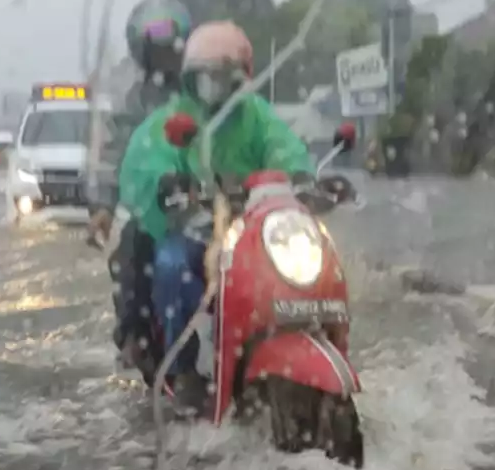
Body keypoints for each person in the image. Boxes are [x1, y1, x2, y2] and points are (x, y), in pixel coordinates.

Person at [116, 20, 333, 408]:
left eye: (223, 76)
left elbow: (287, 150)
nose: (214, 86)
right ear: (190, 79)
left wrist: (304, 179)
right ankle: (183, 372)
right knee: (172, 265)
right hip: (195, 230)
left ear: (241, 78)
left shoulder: (258, 118)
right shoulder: (172, 120)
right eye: (205, 77)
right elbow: (144, 161)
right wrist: (168, 183)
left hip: (253, 229)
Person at [93, 0, 194, 368]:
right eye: (159, 50)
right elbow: (113, 155)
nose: (168, 57)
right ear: (144, 54)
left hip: (207, 199)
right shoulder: (134, 104)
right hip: (156, 208)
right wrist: (104, 205)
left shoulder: (203, 92)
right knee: (129, 244)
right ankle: (133, 335)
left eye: (173, 49)